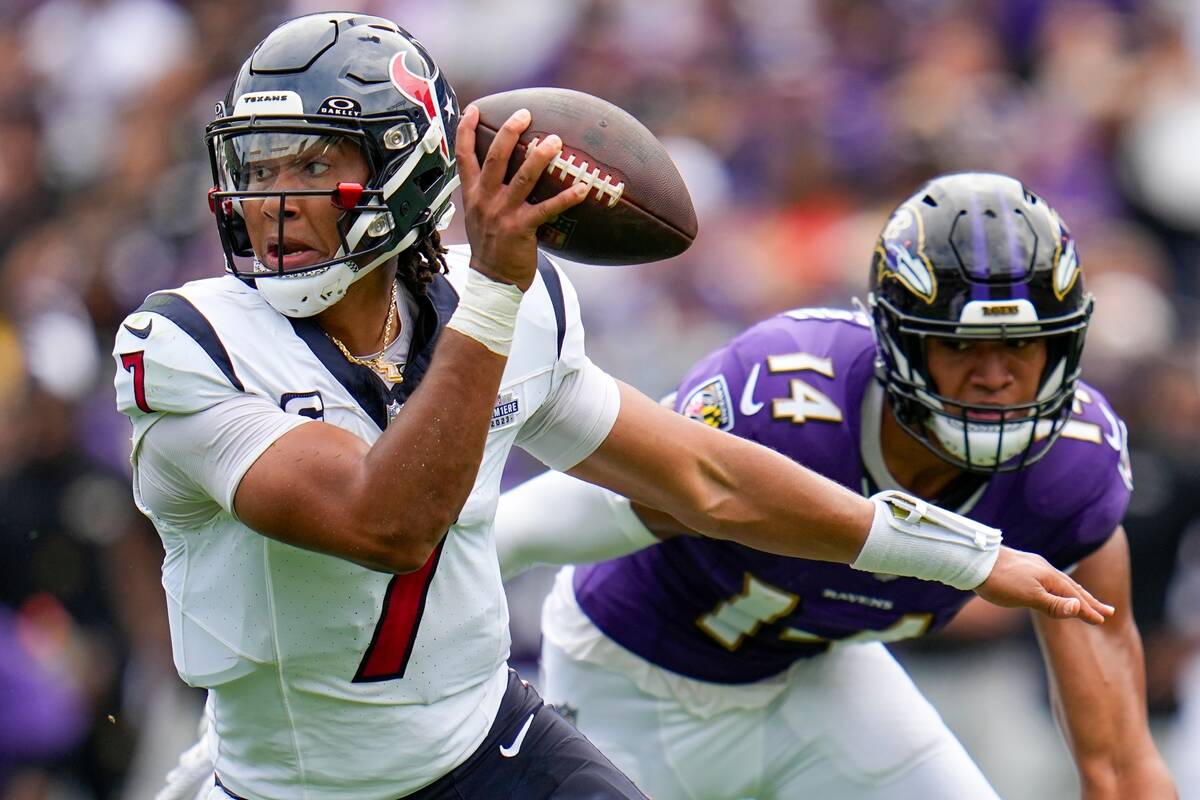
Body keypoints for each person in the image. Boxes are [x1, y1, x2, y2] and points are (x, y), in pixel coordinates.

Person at [116, 14, 1110, 800]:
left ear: (405, 170)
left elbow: (702, 475)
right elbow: (386, 523)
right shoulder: (185, 345)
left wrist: (967, 552)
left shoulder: (506, 309)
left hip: (485, 750)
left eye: (312, 164)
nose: (277, 199)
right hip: (296, 786)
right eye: (262, 165)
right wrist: (496, 296)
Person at [493, 172, 1178, 799]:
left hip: (812, 679)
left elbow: (1118, 759)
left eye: (1021, 346)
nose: (995, 376)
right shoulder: (789, 399)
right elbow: (591, 506)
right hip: (630, 676)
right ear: (902, 341)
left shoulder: (1070, 468)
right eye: (963, 346)